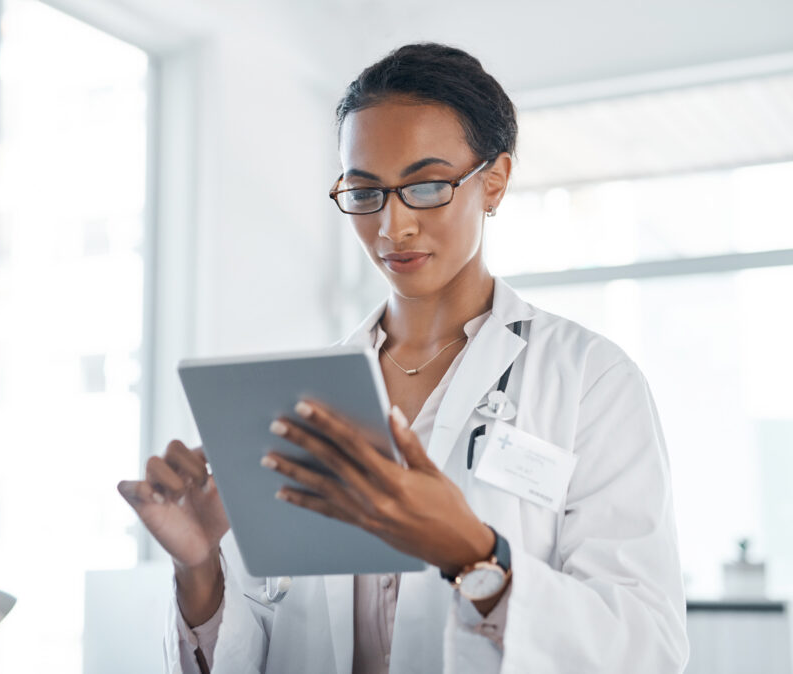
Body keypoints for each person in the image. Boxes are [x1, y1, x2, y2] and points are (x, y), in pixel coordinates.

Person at [117, 42, 690, 673]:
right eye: (365, 192)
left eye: (425, 186)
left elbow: (647, 646)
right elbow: (267, 639)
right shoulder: (301, 396)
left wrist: (475, 556)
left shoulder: (590, 382)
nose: (393, 227)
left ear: (493, 181)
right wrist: (201, 570)